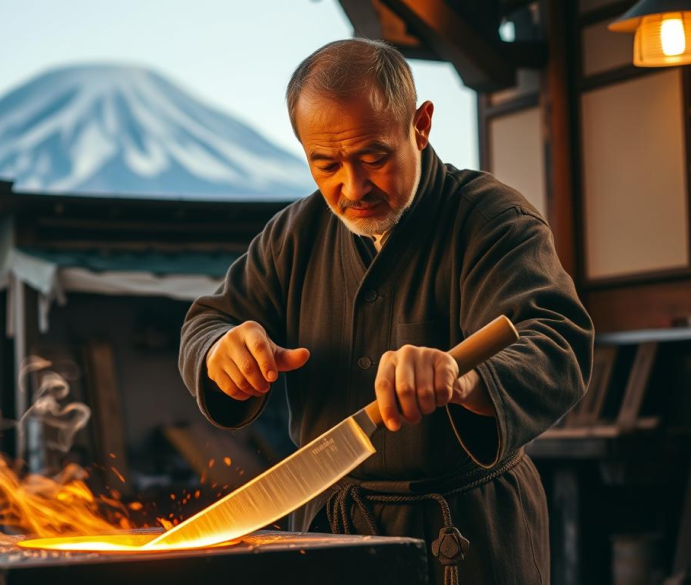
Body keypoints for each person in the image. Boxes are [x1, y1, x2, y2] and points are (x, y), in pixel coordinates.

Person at [178, 38, 593, 584]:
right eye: (325, 165)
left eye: (373, 157)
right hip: (327, 534)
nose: (352, 187)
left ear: (420, 126)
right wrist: (220, 353)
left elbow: (557, 339)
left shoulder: (492, 220)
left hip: (467, 535)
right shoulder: (293, 235)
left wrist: (463, 380)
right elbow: (207, 322)